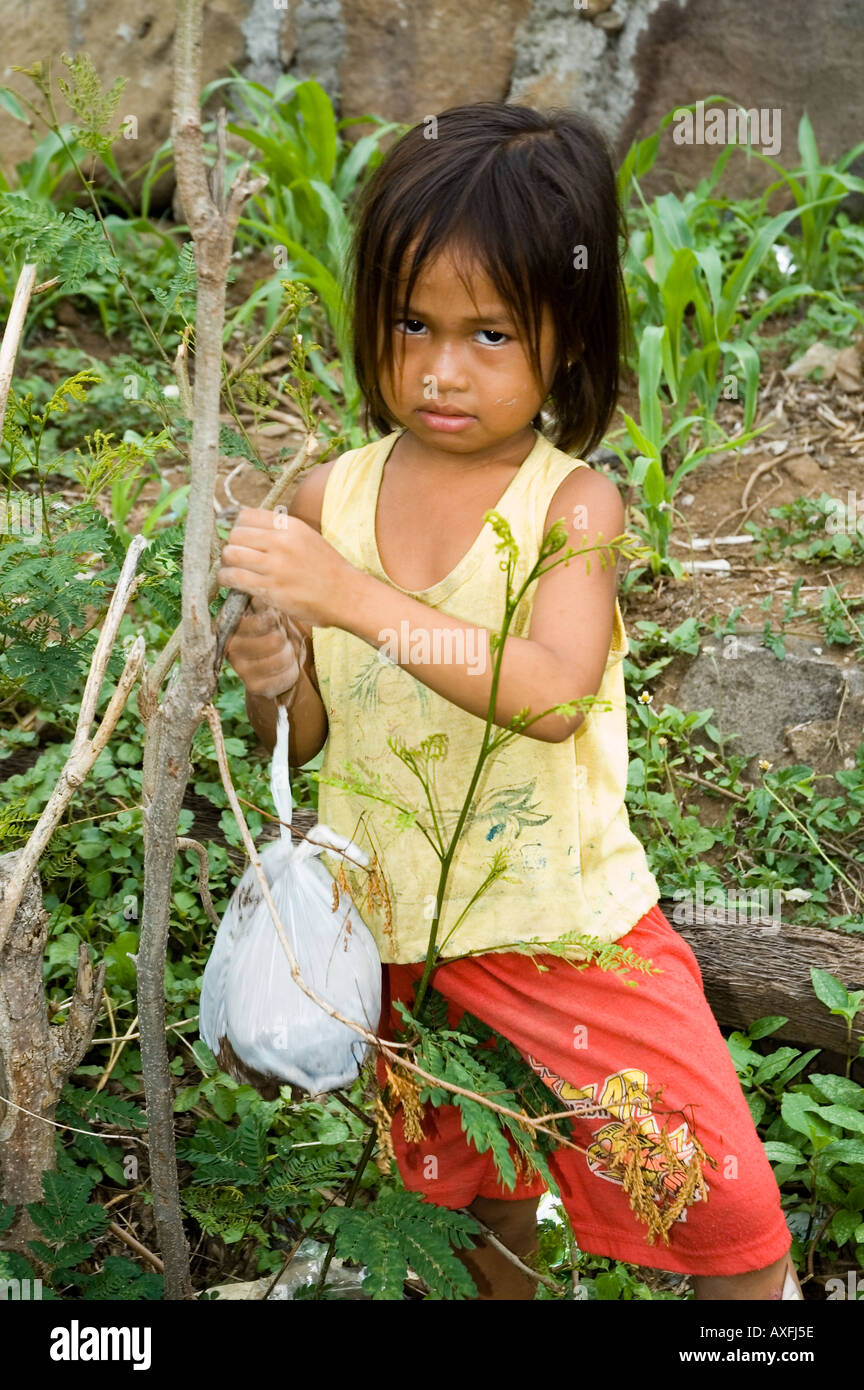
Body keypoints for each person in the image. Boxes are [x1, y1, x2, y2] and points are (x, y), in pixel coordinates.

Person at [218, 102, 801, 1302]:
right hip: (400, 945)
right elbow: (309, 741)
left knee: (726, 1206)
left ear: (568, 340)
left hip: (564, 931)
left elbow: (547, 695)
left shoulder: (569, 506)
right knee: (474, 1215)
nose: (440, 367)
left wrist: (349, 595)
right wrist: (278, 681)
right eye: (411, 322)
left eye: (490, 333)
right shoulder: (329, 493)